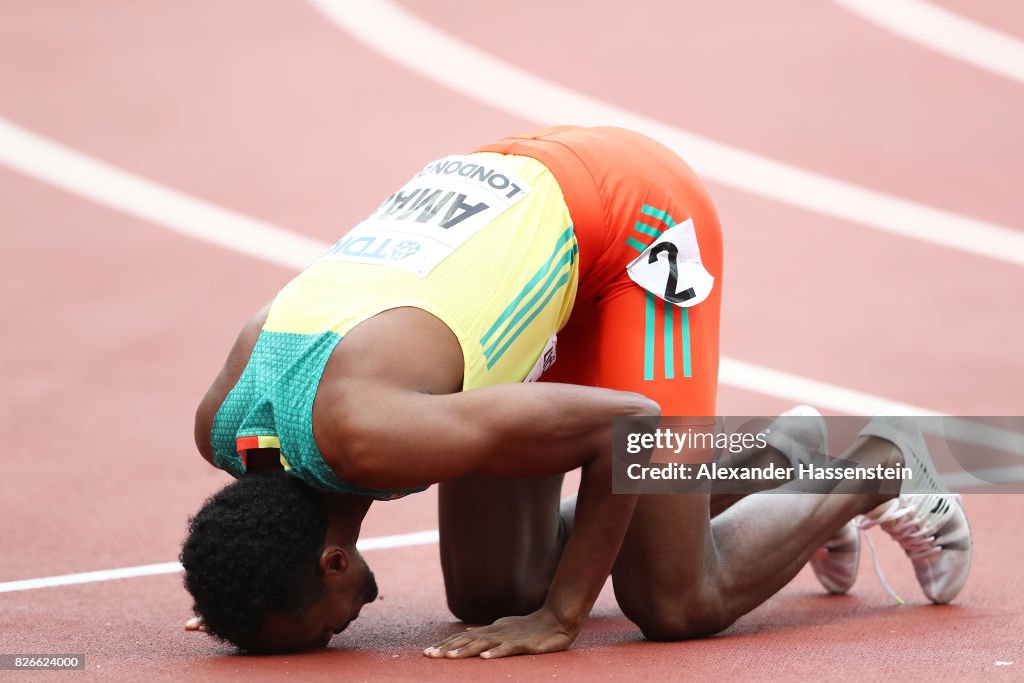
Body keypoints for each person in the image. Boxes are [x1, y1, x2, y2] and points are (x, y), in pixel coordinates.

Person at [182, 126, 971, 657]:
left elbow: (625, 425)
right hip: (514, 213)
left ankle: (881, 458)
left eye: (320, 634)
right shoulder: (228, 426)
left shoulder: (374, 432)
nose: (338, 635)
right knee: (496, 592)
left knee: (672, 598)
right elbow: (273, 523)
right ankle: (774, 455)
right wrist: (249, 597)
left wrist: (562, 617)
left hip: (632, 221)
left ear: (329, 560)